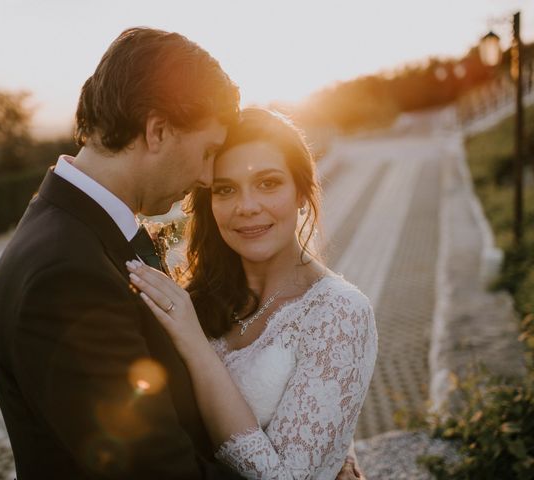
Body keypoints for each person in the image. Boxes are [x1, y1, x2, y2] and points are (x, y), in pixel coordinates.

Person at [0, 27, 243, 478]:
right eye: (208, 151)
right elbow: (161, 470)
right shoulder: (64, 277)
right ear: (158, 130)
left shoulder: (79, 231)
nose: (207, 175)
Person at [126, 108, 378, 479]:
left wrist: (195, 345)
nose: (246, 207)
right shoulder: (196, 298)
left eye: (268, 183)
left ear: (302, 192)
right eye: (226, 189)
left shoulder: (340, 312)